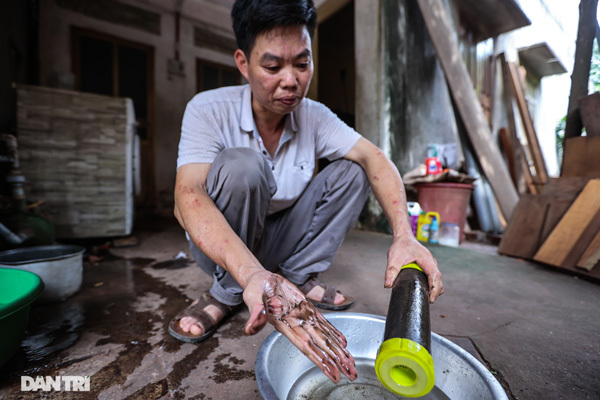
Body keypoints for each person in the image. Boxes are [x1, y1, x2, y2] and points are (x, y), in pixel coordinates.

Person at [169, 0, 443, 384]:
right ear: (243, 63)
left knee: (353, 170)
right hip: (223, 246)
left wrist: (404, 235)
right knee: (243, 166)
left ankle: (295, 278)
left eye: (302, 63)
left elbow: (374, 157)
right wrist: (251, 275)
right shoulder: (208, 109)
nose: (291, 80)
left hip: (278, 235)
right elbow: (187, 197)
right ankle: (227, 292)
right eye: (272, 66)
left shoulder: (313, 115)